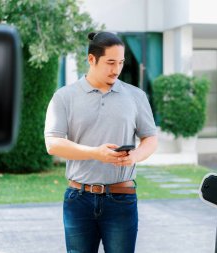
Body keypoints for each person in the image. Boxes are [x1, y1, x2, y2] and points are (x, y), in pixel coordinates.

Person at [44, 31, 158, 253]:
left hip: (122, 199)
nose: (116, 69)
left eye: (121, 62)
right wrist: (95, 153)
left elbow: (150, 139)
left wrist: (135, 155)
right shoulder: (64, 97)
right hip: (78, 200)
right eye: (110, 62)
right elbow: (53, 144)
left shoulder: (136, 96)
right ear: (91, 59)